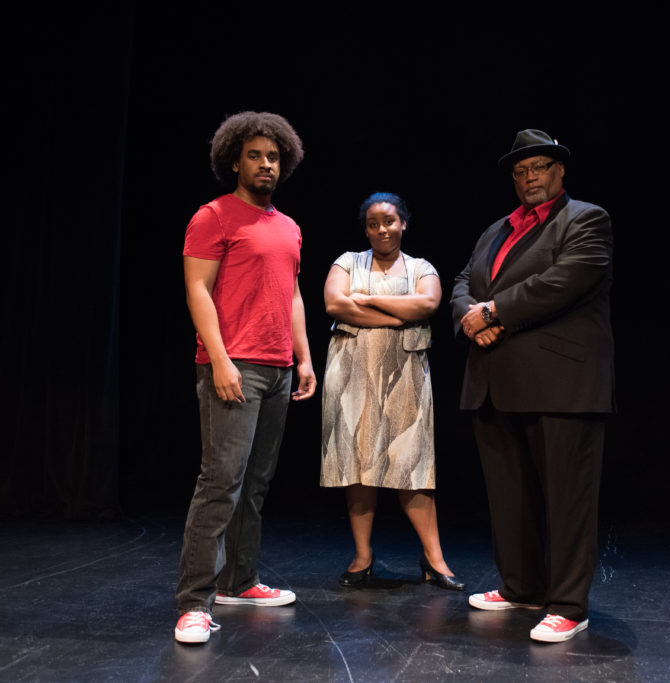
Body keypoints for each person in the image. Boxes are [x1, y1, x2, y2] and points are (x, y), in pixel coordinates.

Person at [450, 129, 614, 643]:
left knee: (567, 499)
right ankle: (521, 586)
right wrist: (469, 317)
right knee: (509, 495)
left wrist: (494, 311)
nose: (529, 178)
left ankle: (568, 604)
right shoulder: (496, 229)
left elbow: (566, 279)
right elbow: (463, 280)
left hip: (561, 382)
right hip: (495, 380)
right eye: (520, 172)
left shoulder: (586, 219)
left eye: (538, 168)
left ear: (560, 171)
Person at [174, 111, 316, 644]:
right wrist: (220, 359)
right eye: (255, 155)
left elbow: (293, 295)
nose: (265, 165)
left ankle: (240, 580)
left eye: (273, 157)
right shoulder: (214, 216)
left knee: (255, 484)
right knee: (220, 484)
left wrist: (303, 359)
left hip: (279, 369)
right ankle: (193, 603)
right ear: (234, 160)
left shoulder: (289, 227)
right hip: (234, 366)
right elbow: (198, 290)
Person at [320, 192, 463, 592]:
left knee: (411, 466)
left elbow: (428, 303)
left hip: (405, 376)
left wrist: (366, 300)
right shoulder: (347, 262)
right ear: (365, 228)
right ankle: (363, 557)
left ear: (404, 223)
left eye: (389, 221)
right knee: (357, 466)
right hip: (350, 376)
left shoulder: (421, 267)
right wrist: (396, 314)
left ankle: (435, 559)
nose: (381, 229)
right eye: (372, 223)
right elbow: (334, 303)